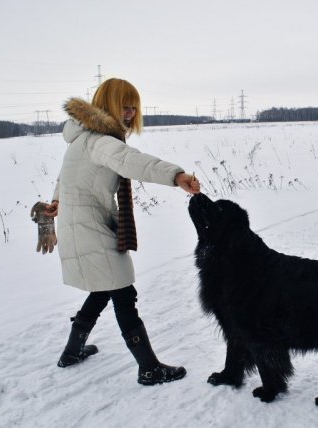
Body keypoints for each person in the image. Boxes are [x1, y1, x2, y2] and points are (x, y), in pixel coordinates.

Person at [37, 78, 200, 385]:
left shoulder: (81, 138)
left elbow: (64, 177)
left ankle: (72, 352)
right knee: (123, 293)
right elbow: (132, 162)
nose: (129, 112)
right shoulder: (100, 141)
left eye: (133, 106)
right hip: (91, 227)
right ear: (108, 104)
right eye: (124, 105)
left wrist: (58, 199)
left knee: (102, 290)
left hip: (83, 224)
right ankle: (149, 368)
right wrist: (175, 175)